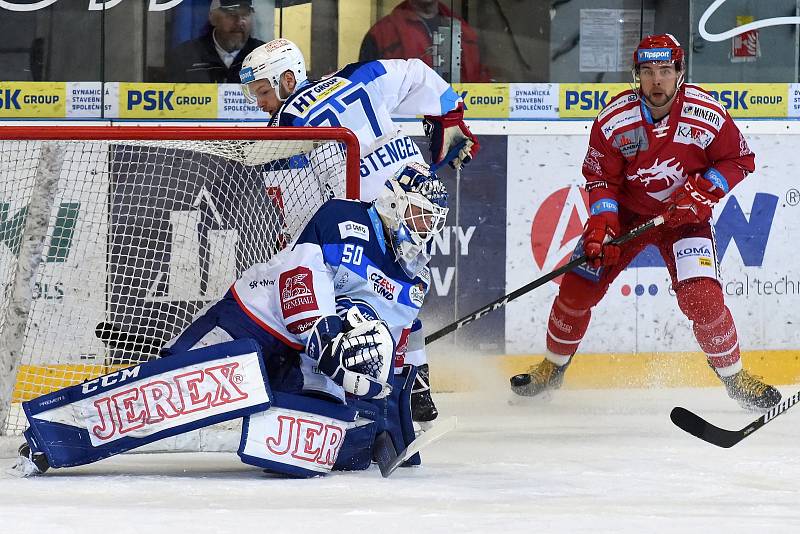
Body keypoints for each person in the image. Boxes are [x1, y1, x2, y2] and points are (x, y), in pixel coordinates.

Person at [16, 163, 449, 478]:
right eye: (420, 216)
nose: (425, 230)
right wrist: (323, 333)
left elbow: (388, 346)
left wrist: (386, 411)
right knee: (172, 388)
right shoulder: (345, 217)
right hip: (256, 320)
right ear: (394, 202)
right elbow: (301, 275)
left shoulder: (415, 279)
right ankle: (55, 436)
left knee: (318, 446)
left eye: (434, 222)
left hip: (311, 363)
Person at [509, 34, 782, 411]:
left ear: (680, 73)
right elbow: (601, 179)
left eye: (665, 71)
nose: (657, 81)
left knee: (702, 299)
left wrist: (702, 192)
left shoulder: (707, 114)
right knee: (576, 289)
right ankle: (552, 368)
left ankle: (736, 378)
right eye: (649, 71)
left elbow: (739, 160)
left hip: (686, 221)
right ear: (636, 74)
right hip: (626, 217)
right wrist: (602, 224)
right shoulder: (613, 120)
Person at [239, 38, 480, 425]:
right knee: (405, 294)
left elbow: (300, 205)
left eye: (263, 91)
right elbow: (416, 73)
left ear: (287, 79)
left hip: (363, 224)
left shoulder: (286, 127)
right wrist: (450, 118)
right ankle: (416, 386)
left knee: (355, 302)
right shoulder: (355, 75)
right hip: (417, 206)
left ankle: (362, 395)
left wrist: (299, 246)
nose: (259, 102)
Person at [358, 0, 491, 83]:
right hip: (405, 124)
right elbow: (367, 88)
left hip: (463, 119)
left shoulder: (465, 31)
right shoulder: (381, 34)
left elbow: (481, 82)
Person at [164, 0, 264, 83]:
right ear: (212, 18)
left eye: (245, 14)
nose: (239, 22)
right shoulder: (185, 55)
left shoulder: (265, 55)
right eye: (231, 14)